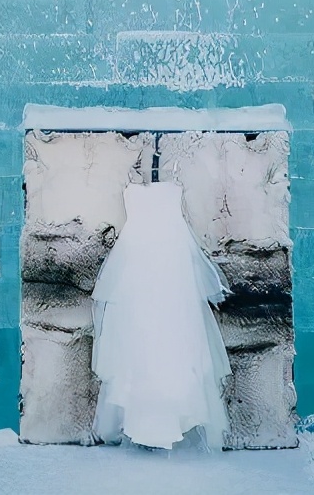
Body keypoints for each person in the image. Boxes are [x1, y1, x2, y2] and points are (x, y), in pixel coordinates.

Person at [90, 180, 231, 451]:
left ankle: (170, 416)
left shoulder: (174, 177)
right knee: (139, 335)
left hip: (171, 260)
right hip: (138, 259)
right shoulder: (135, 179)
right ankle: (143, 420)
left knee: (173, 335)